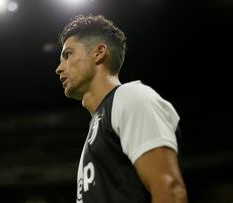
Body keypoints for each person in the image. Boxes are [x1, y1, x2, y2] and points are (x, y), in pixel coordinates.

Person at [55, 14, 188, 203]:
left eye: (68, 54)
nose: (59, 68)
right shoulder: (99, 123)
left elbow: (170, 190)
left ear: (99, 52)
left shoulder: (131, 97)